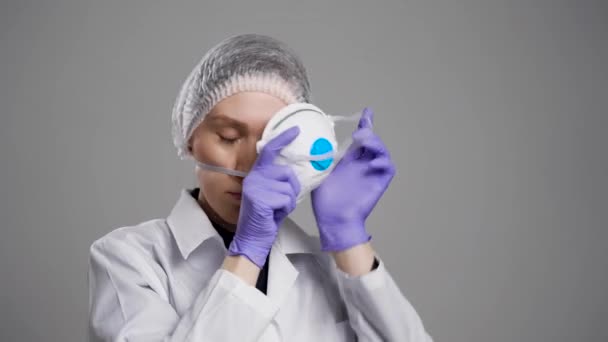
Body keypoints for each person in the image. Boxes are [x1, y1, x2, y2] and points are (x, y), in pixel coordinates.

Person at [88, 33, 434, 341]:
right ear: (189, 139)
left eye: (275, 144)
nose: (251, 166)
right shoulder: (131, 259)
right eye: (229, 137)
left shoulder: (327, 264)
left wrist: (347, 235)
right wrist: (247, 250)